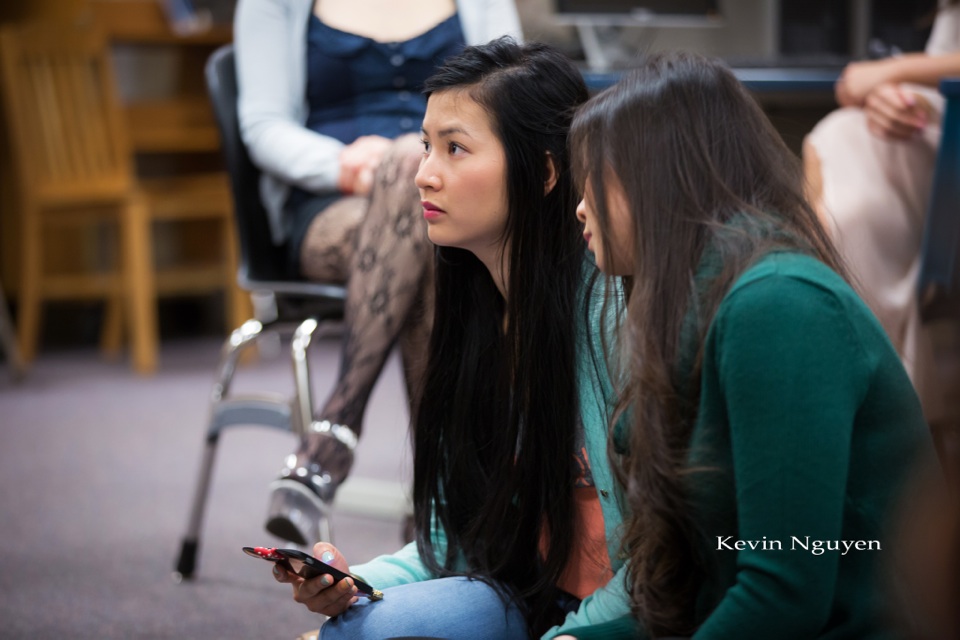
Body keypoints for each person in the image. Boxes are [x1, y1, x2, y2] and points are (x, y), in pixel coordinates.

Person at [270, 38, 634, 639]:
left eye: (455, 148)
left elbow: (659, 565)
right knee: (341, 634)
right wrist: (354, 583)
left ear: (543, 171)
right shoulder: (474, 313)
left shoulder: (611, 313)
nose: (422, 175)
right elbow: (455, 545)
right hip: (521, 599)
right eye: (425, 147)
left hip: (619, 619)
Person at [563, 51, 934, 638]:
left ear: (658, 177)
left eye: (593, 179)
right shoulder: (705, 302)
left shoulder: (780, 305)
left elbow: (780, 598)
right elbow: (700, 594)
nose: (579, 207)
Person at [233, 0, 522, 546]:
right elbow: (264, 126)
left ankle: (333, 435)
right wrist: (347, 165)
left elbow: (516, 95)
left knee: (427, 212)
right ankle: (439, 505)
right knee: (410, 186)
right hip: (332, 203)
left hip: (451, 200)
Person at [803, 0, 960, 424]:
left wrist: (894, 73)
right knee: (835, 144)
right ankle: (862, 379)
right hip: (934, 130)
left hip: (948, 156)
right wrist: (893, 96)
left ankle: (862, 392)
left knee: (845, 197)